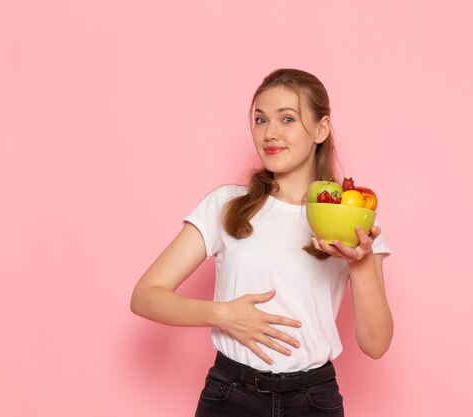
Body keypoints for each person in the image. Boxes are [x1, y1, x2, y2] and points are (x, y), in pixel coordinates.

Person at [130, 68, 393, 416]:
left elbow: (376, 345)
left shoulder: (353, 218)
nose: (270, 133)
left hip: (314, 400)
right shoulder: (226, 205)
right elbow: (145, 296)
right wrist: (223, 315)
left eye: (287, 119)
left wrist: (358, 262)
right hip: (230, 395)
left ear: (321, 129)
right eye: (260, 119)